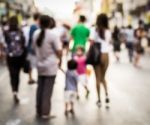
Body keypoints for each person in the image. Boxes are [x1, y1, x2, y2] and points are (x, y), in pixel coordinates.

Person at [33, 15, 62, 119]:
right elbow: (59, 51)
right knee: (47, 90)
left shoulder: (35, 34)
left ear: (40, 23)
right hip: (50, 66)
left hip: (39, 65)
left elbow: (34, 48)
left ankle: (38, 110)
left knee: (40, 88)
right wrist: (60, 61)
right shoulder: (53, 35)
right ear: (50, 23)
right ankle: (45, 113)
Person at [3, 16, 26, 104]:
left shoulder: (6, 32)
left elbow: (4, 43)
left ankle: (14, 90)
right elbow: (23, 43)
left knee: (12, 74)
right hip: (19, 56)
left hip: (10, 56)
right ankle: (16, 90)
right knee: (17, 74)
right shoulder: (20, 32)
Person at [90, 14, 111, 107]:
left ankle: (99, 100)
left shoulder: (94, 30)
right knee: (103, 77)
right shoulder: (108, 31)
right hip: (106, 55)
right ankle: (106, 95)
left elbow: (91, 42)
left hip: (97, 55)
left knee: (97, 78)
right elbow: (108, 42)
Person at [27, 13, 40, 84]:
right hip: (34, 49)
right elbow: (31, 38)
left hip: (33, 48)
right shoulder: (34, 26)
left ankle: (31, 78)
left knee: (32, 65)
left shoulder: (34, 26)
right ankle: (31, 78)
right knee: (33, 64)